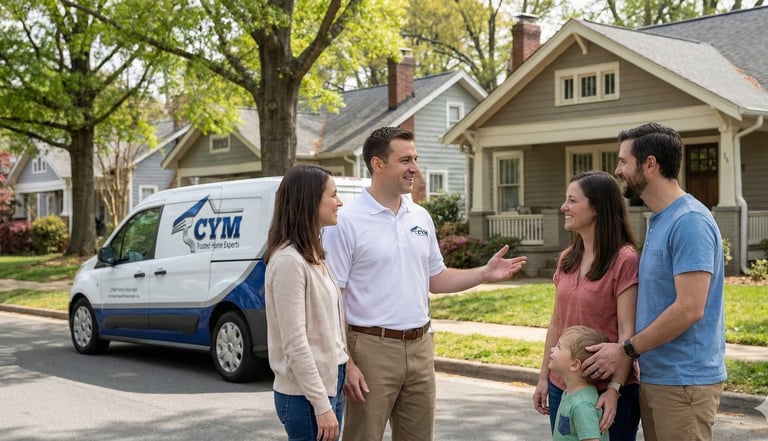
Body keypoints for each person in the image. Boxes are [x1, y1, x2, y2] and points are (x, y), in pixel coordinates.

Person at [322, 126, 527, 441]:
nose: (415, 168)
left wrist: (483, 273)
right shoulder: (346, 221)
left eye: (415, 159)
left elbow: (436, 278)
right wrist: (347, 362)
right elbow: (333, 297)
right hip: (370, 350)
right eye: (405, 160)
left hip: (420, 346)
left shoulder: (420, 217)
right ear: (378, 164)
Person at [583, 122, 727, 441]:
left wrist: (628, 349)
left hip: (684, 382)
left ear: (650, 164)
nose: (617, 171)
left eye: (624, 161)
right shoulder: (662, 219)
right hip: (659, 377)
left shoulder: (689, 221)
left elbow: (689, 308)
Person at [533, 171, 641, 440]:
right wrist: (544, 377)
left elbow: (627, 333)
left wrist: (615, 389)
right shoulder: (567, 258)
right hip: (563, 386)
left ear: (597, 208)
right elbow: (556, 323)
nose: (564, 207)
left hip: (606, 391)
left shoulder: (625, 260)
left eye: (572, 200)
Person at [265, 165, 348, 441]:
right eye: (333, 195)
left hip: (329, 383)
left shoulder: (314, 255)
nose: (339, 202)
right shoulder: (289, 262)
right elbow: (295, 342)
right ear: (310, 201)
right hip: (305, 396)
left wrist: (346, 367)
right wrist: (321, 405)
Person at [549, 325, 611, 441]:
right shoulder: (571, 393)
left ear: (574, 365)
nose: (552, 349)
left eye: (559, 347)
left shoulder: (582, 405)